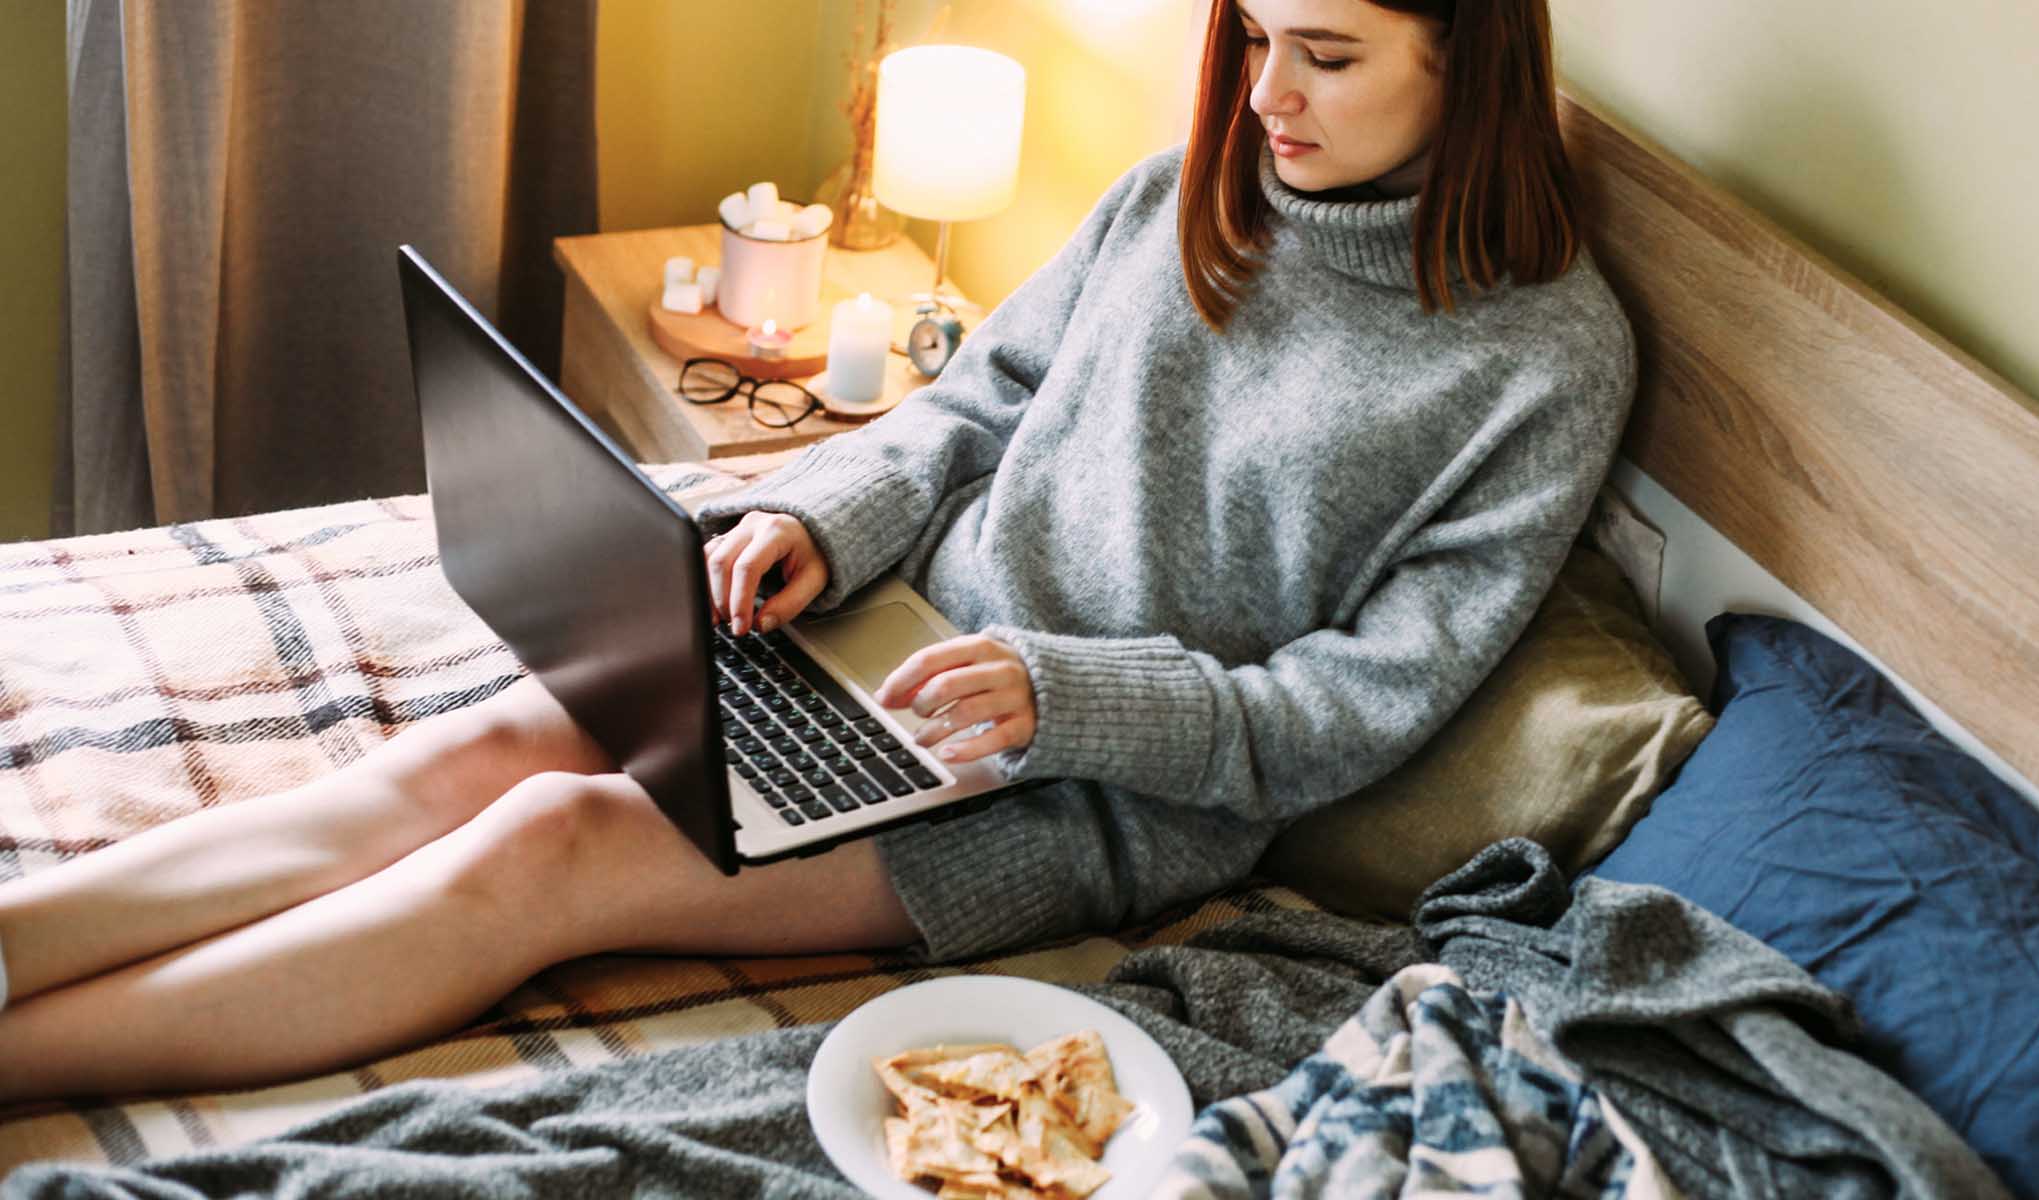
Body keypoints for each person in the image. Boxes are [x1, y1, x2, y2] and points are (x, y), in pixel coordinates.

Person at [0, 0, 1632, 1102]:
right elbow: (973, 404)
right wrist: (815, 519)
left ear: (1472, 57)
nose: (1268, 94)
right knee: (480, 742)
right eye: (1257, 33)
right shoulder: (1179, 195)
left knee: (547, 851)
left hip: (1090, 804)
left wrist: (1063, 699)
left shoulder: (1540, 362)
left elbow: (1357, 713)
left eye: (1329, 56)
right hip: (894, 641)